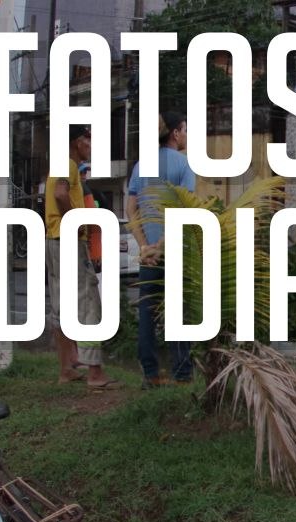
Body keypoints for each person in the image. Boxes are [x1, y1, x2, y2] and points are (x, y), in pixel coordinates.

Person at [127, 112, 197, 388]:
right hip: (174, 252)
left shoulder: (140, 166)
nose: (188, 136)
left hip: (148, 256)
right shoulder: (184, 165)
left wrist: (146, 245)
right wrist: (163, 245)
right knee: (178, 312)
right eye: (186, 129)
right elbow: (185, 210)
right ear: (176, 133)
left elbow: (131, 209)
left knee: (147, 312)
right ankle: (182, 375)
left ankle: (150, 375)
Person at [45, 126, 117, 389]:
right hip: (68, 240)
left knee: (61, 306)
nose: (91, 144)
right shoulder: (69, 165)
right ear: (77, 142)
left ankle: (66, 369)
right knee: (88, 303)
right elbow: (60, 194)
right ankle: (95, 373)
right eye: (88, 139)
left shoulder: (56, 166)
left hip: (53, 239)